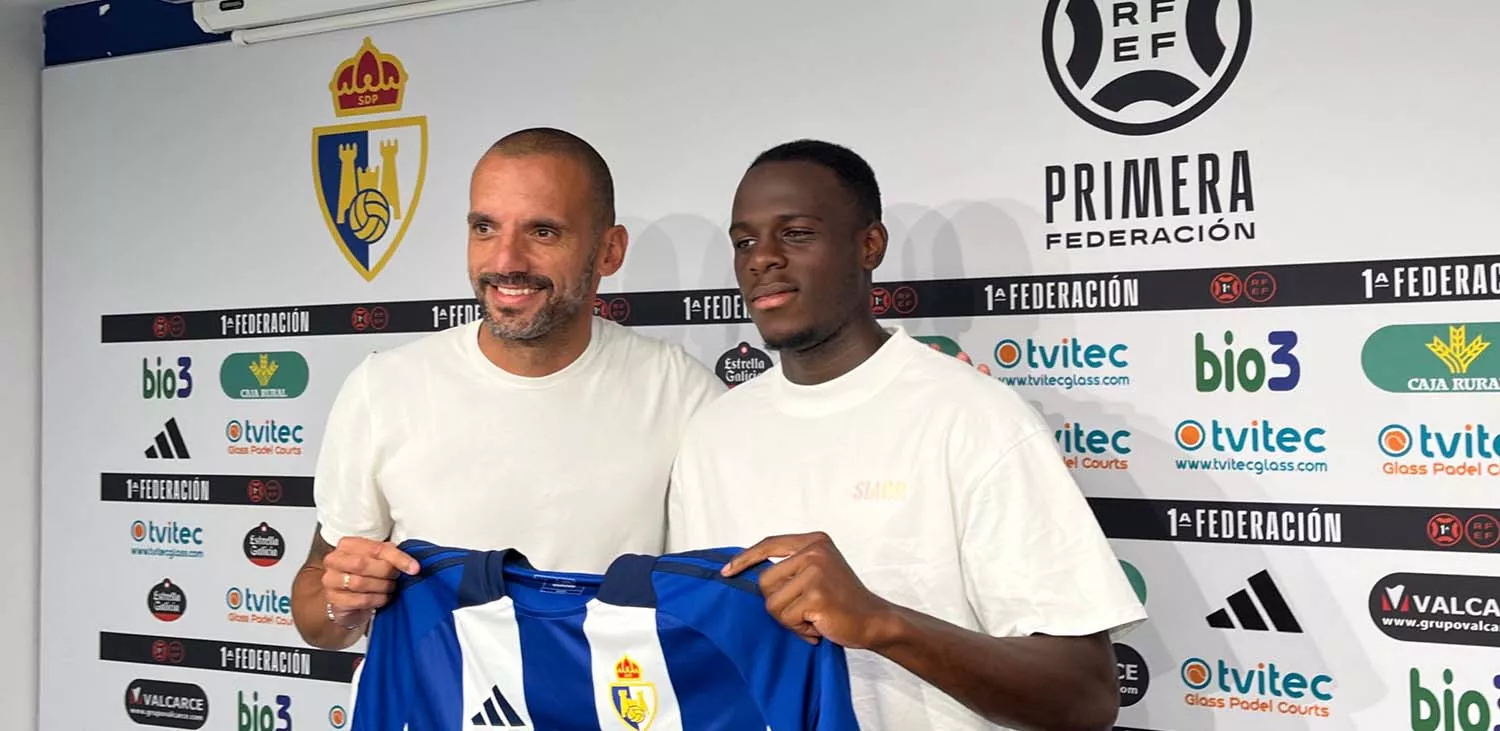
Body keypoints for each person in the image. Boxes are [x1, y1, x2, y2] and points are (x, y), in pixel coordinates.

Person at [666, 139, 1147, 731]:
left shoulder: (973, 418)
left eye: (796, 234)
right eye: (744, 242)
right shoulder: (713, 433)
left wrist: (882, 622)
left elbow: (1086, 696)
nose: (761, 258)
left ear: (869, 245)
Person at [291, 127, 726, 649]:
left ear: (609, 251)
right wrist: (343, 601)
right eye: (485, 228)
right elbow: (319, 616)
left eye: (542, 232)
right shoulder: (382, 387)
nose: (505, 262)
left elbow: (718, 610)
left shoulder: (684, 396)